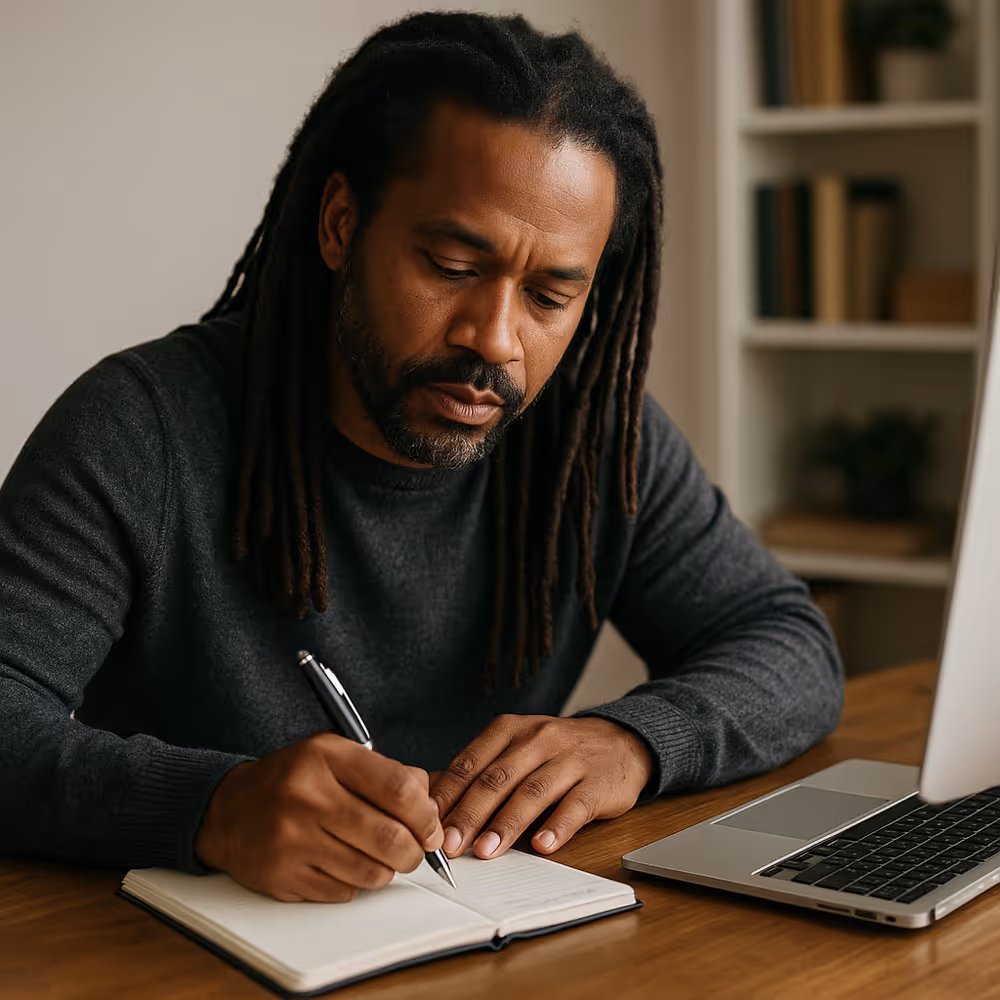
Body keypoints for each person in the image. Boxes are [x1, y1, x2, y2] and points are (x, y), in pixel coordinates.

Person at [0, 11, 842, 904]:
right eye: (449, 264)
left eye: (552, 295)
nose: (496, 340)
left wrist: (633, 741)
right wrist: (209, 804)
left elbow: (787, 643)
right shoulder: (141, 428)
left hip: (472, 931)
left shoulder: (589, 438)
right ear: (338, 226)